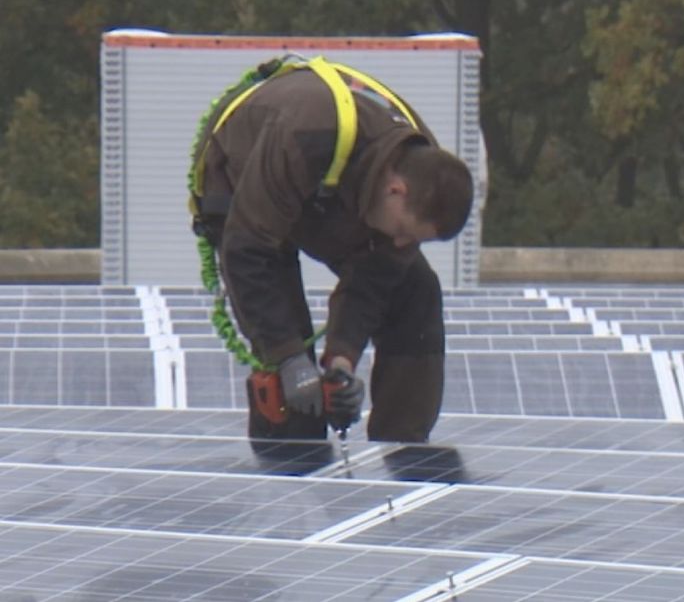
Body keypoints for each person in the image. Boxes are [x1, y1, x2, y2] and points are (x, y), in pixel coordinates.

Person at [190, 58, 474, 444]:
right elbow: (247, 252)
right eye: (406, 232)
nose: (404, 243)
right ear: (396, 191)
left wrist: (341, 364)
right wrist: (290, 359)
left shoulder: (422, 165)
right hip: (242, 180)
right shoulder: (304, 135)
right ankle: (289, 468)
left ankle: (403, 455)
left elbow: (372, 282)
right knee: (288, 359)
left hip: (331, 190)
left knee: (414, 288)